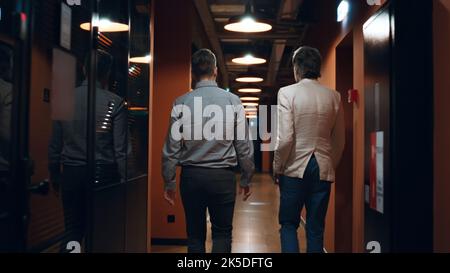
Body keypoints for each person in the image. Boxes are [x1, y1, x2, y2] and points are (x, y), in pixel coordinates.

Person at [162, 49, 255, 253]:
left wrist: (169, 181)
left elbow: (171, 148)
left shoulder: (181, 102)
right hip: (222, 177)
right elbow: (244, 146)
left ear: (193, 73)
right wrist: (247, 178)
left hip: (191, 177)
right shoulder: (233, 102)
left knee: (194, 235)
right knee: (222, 233)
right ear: (215, 71)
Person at [48, 49, 129, 252]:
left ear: (84, 69)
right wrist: (125, 179)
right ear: (107, 73)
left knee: (73, 230)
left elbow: (55, 144)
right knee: (103, 230)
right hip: (104, 174)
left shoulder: (65, 98)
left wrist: (54, 174)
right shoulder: (115, 102)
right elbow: (121, 150)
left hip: (72, 172)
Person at [273, 46, 345, 253]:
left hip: (294, 168)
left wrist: (278, 167)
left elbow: (285, 138)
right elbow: (340, 140)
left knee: (288, 225)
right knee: (315, 229)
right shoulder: (334, 97)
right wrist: (331, 166)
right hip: (322, 168)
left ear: (297, 68)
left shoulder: (287, 93)